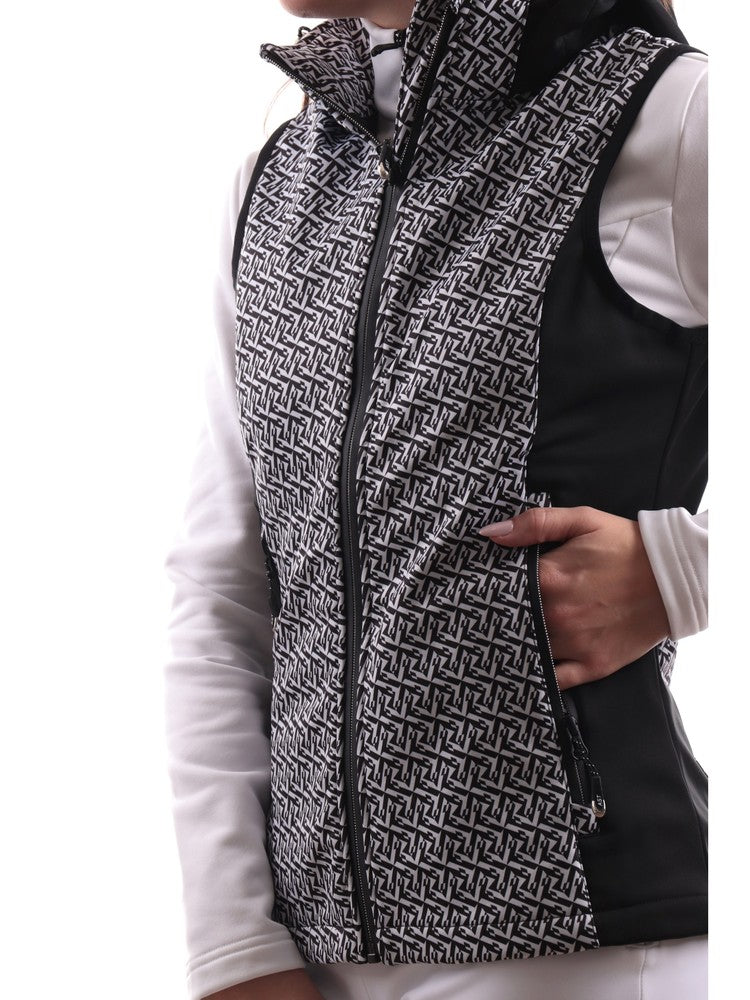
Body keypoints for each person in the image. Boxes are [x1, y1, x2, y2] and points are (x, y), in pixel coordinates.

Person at [162, 1, 708, 998]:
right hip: (313, 950)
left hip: (578, 941)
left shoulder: (675, 118)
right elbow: (223, 590)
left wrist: (685, 570)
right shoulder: (275, 183)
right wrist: (234, 943)